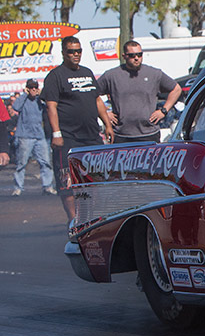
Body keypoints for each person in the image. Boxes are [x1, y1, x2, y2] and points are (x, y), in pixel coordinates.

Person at [42, 36, 113, 222]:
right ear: (63, 53)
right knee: (67, 181)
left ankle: (92, 218)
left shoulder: (88, 73)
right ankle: (73, 221)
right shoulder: (55, 75)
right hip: (67, 137)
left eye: (78, 51)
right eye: (71, 51)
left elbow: (97, 100)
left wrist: (107, 124)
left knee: (94, 179)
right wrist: (56, 133)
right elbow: (51, 106)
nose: (75, 55)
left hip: (91, 136)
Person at [98, 40, 183, 144]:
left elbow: (176, 89)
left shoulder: (154, 74)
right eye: (132, 55)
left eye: (139, 54)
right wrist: (106, 114)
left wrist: (163, 111)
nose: (136, 58)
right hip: (121, 135)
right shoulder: (111, 76)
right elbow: (92, 95)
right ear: (124, 56)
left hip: (149, 134)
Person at [11, 79, 55, 196]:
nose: (33, 90)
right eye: (31, 88)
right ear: (27, 88)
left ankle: (47, 186)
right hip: (25, 136)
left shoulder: (39, 100)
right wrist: (25, 94)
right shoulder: (23, 100)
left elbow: (50, 106)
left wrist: (41, 95)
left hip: (40, 136)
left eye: (35, 87)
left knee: (45, 162)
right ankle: (18, 188)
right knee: (21, 164)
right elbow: (15, 107)